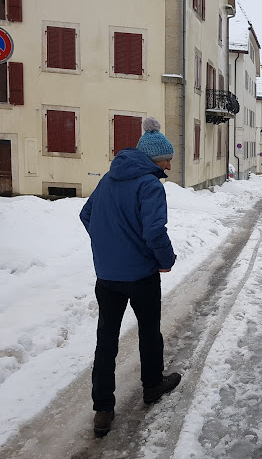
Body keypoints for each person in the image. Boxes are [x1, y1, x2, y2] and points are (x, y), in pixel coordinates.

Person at [80, 117, 182, 437]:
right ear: (154, 160)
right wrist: (165, 260)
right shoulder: (150, 184)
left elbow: (87, 215)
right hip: (142, 276)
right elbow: (154, 231)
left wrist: (107, 247)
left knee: (106, 340)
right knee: (149, 333)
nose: (169, 165)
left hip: (107, 277)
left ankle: (102, 409)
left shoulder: (109, 179)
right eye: (167, 159)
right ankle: (152, 386)